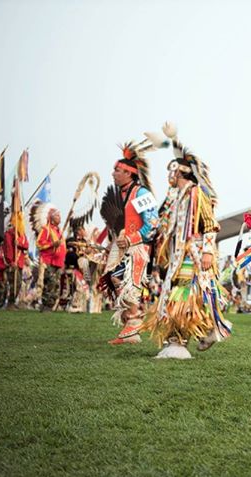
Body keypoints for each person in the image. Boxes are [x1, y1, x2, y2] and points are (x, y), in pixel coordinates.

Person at [143, 123, 231, 358]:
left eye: (172, 171)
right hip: (177, 254)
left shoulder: (195, 193)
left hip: (193, 252)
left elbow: (210, 223)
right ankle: (207, 330)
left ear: (181, 172)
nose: (169, 176)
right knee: (178, 294)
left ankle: (180, 340)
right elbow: (166, 226)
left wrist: (208, 251)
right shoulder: (175, 196)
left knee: (183, 296)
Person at [99, 134, 163, 344]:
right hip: (124, 247)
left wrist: (131, 238)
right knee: (116, 279)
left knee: (124, 282)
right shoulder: (122, 194)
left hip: (139, 248)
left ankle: (134, 324)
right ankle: (131, 327)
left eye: (117, 170)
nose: (113, 173)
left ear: (129, 173)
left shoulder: (141, 192)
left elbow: (153, 223)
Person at [30, 202, 66, 311]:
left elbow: (62, 247)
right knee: (49, 283)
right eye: (57, 215)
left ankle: (51, 305)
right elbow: (39, 244)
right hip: (49, 261)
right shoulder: (46, 229)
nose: (60, 217)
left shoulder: (59, 231)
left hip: (59, 262)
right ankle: (45, 305)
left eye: (60, 215)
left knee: (55, 284)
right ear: (51, 218)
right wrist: (52, 245)